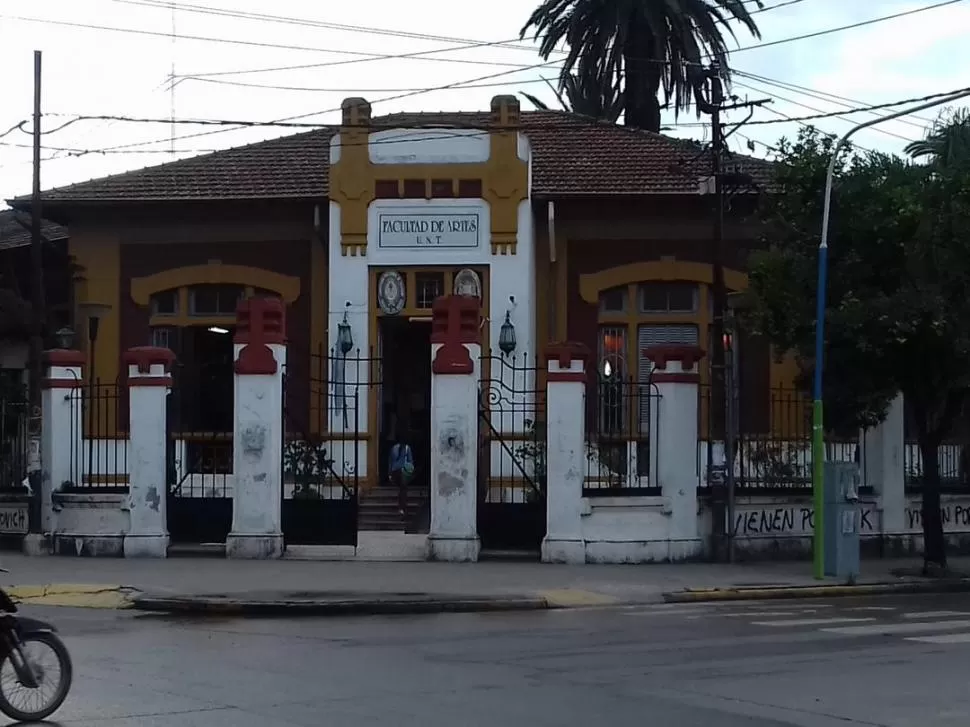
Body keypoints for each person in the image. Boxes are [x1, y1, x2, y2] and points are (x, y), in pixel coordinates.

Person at [388, 431, 415, 518]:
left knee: (402, 488)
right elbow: (410, 461)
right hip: (403, 471)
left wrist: (390, 474)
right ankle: (402, 508)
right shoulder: (407, 448)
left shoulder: (394, 448)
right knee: (403, 489)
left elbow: (391, 462)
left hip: (395, 471)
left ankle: (401, 508)